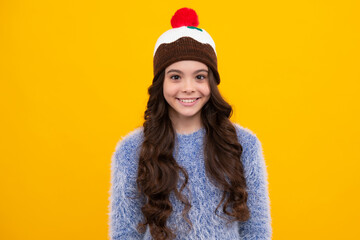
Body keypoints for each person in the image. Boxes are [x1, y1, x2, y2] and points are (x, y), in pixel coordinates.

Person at [108, 7, 272, 240]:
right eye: (175, 76)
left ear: (211, 83)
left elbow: (256, 230)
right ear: (160, 83)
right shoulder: (131, 150)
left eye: (199, 76)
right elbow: (124, 233)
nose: (188, 87)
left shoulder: (243, 144)